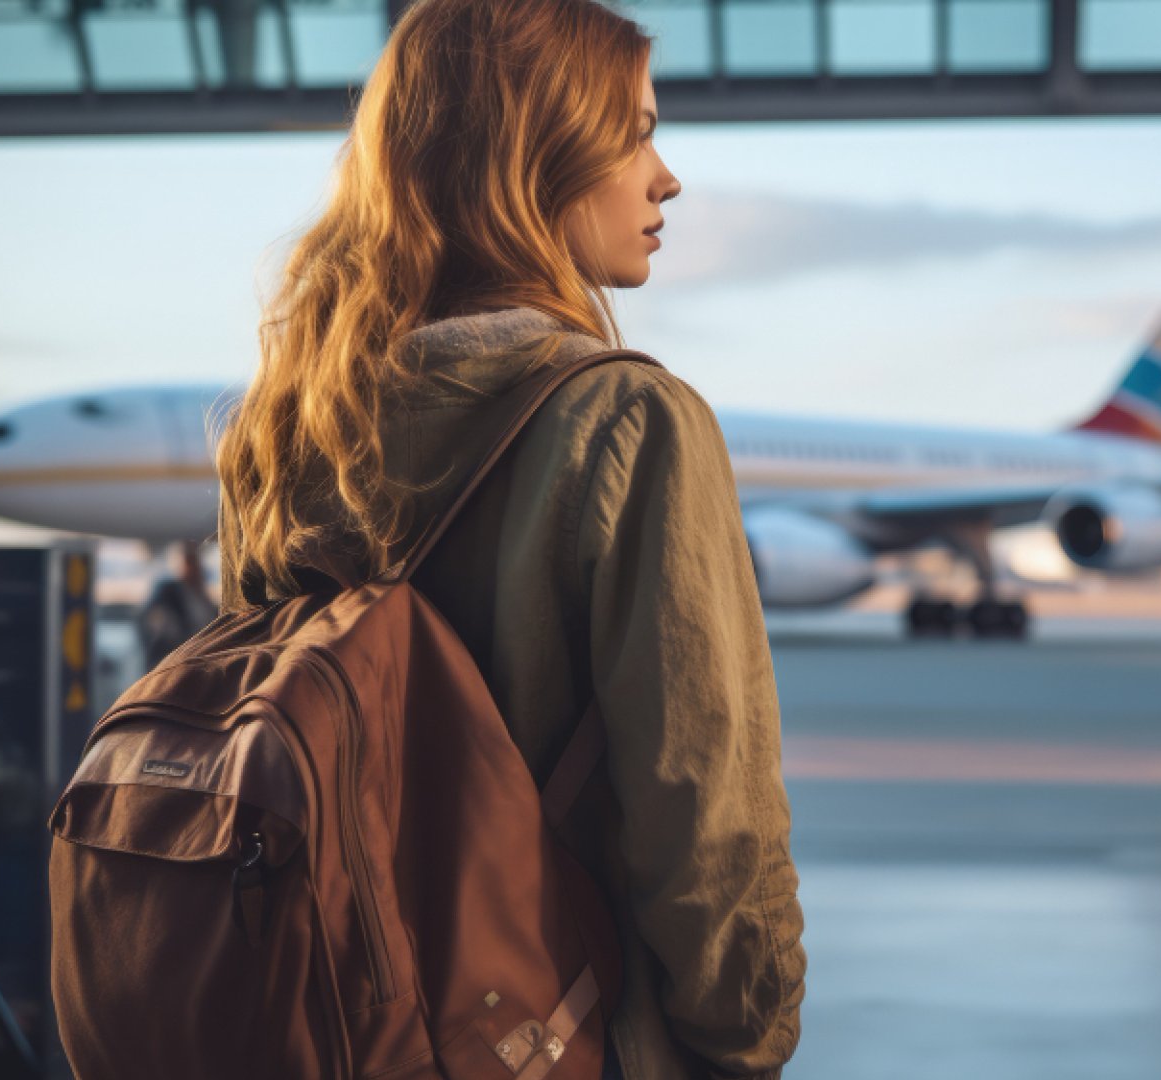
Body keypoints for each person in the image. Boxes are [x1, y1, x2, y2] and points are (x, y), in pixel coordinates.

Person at [209, 3, 805, 1077]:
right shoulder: (631, 422)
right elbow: (707, 816)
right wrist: (747, 1038)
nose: (665, 178)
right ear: (536, 156)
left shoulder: (290, 431)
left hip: (328, 1028)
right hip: (559, 1035)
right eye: (634, 132)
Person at [133, 540, 217, 669]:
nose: (195, 569)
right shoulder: (168, 592)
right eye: (189, 562)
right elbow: (156, 625)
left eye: (195, 563)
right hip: (175, 663)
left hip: (200, 662)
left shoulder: (202, 596)